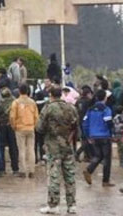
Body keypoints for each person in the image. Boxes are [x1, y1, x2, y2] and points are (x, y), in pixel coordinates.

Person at [36, 86, 79, 215]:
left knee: (54, 175)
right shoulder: (71, 108)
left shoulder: (48, 108)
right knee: (70, 175)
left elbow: (39, 128)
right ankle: (71, 205)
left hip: (53, 146)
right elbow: (76, 126)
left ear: (51, 94)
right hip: (67, 145)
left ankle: (53, 205)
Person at [81, 89, 114, 187]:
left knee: (98, 156)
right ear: (105, 98)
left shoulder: (90, 110)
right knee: (107, 159)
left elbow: (84, 124)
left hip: (93, 136)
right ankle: (105, 181)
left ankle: (89, 169)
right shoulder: (106, 109)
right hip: (105, 136)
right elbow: (108, 122)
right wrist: (111, 133)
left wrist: (88, 136)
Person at [10, 83, 39, 178]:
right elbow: (36, 117)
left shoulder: (16, 102)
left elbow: (12, 116)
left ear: (19, 91)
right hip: (30, 128)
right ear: (27, 91)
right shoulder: (32, 102)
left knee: (21, 149)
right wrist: (34, 125)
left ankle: (22, 171)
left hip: (20, 128)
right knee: (31, 149)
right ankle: (32, 170)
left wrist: (13, 126)